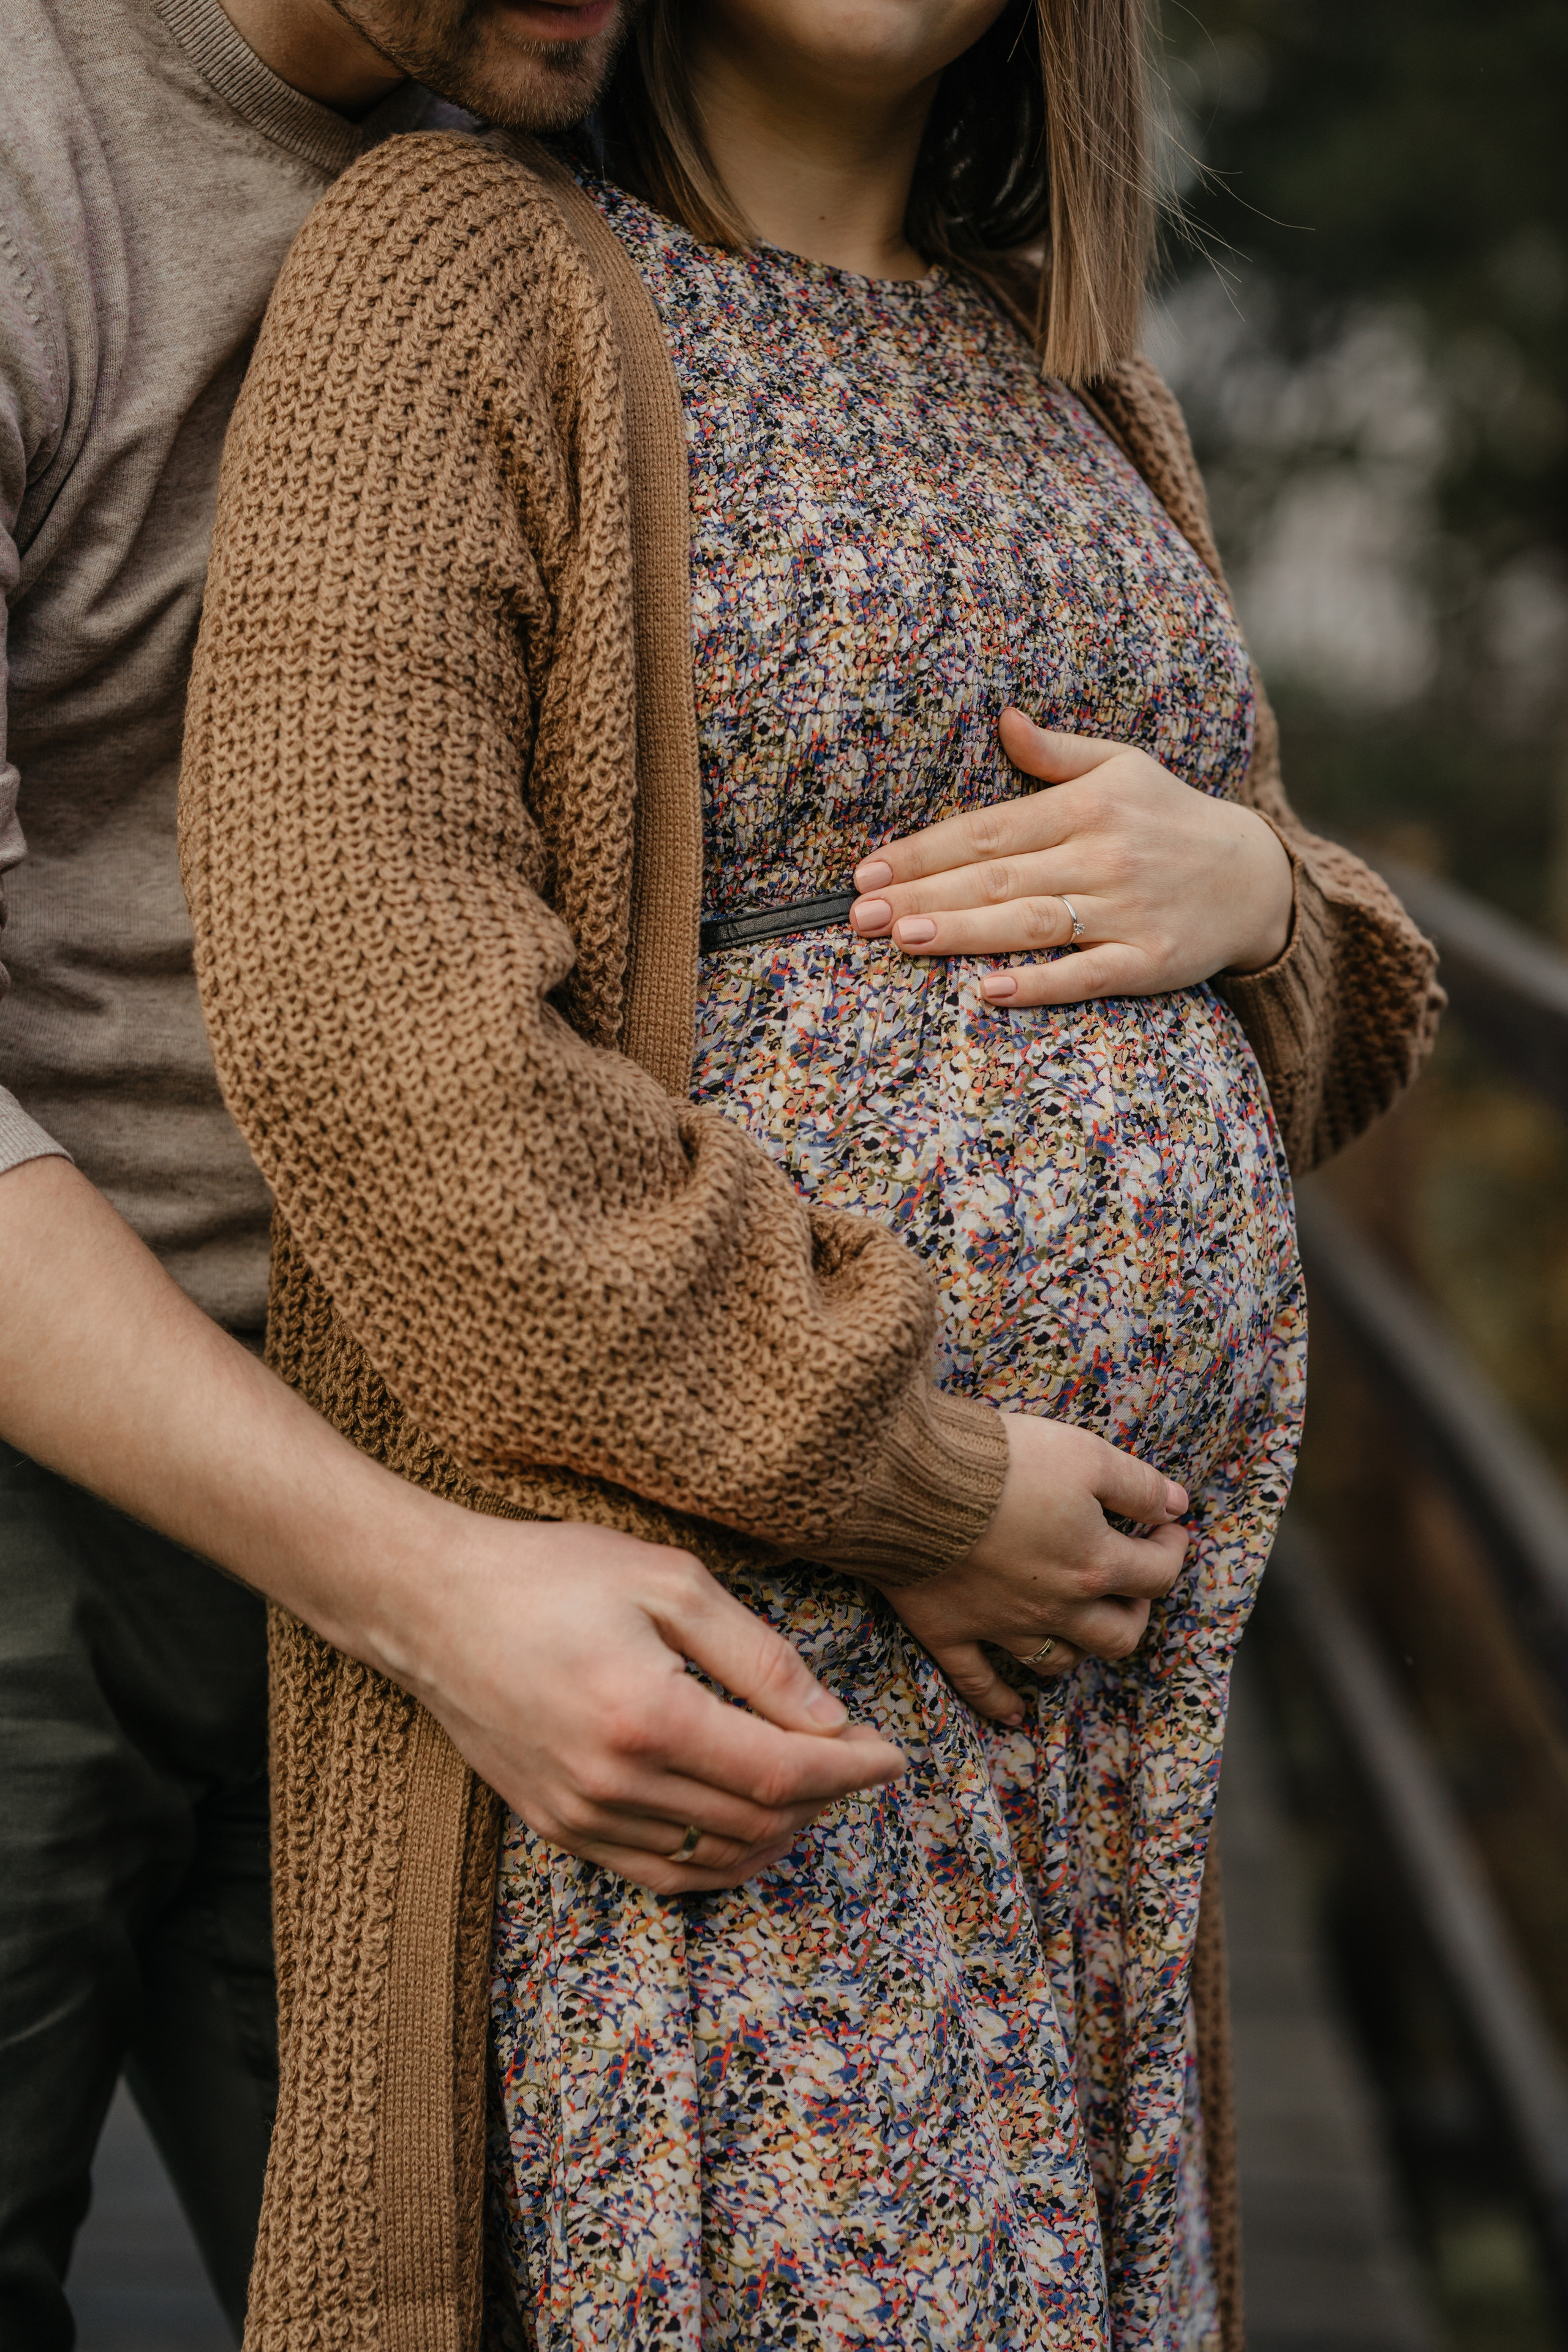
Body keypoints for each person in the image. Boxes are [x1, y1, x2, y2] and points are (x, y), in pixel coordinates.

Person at [181, 0, 1442, 2343]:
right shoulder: (459, 269)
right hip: (719, 1699)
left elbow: (1321, 1020)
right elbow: (370, 1029)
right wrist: (914, 1472)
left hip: (1071, 1740)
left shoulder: (1078, 383)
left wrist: (1267, 899)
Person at [0, 2, 908, 2343]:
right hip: (60, 1433)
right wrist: (414, 1587)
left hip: (478, 1427)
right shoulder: (32, 165)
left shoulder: (594, 118)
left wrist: (1254, 874)